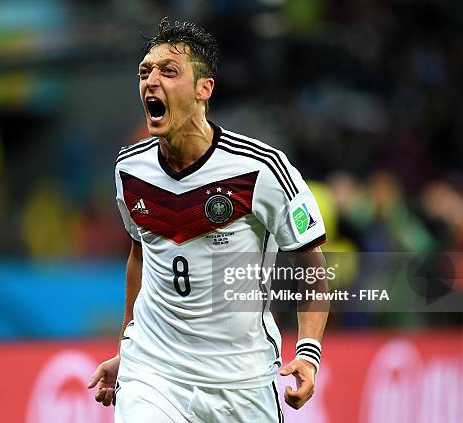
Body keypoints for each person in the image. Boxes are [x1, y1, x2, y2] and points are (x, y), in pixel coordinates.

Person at [88, 17, 329, 422]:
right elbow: (141, 256)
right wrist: (125, 351)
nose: (151, 81)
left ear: (204, 89)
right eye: (145, 71)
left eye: (169, 71)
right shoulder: (130, 170)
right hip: (154, 374)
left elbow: (313, 268)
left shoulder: (262, 169)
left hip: (242, 383)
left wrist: (308, 353)